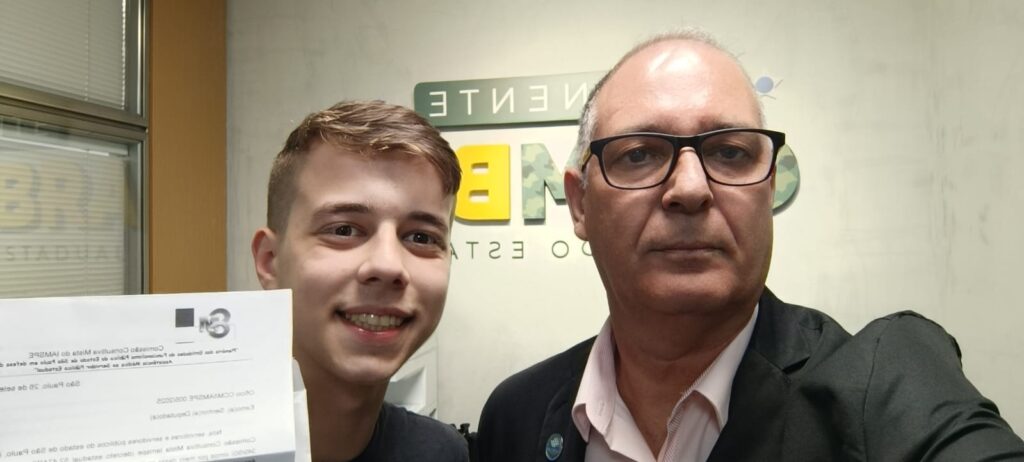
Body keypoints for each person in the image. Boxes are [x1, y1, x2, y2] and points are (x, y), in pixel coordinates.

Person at [476, 30, 1024, 462]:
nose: (690, 189)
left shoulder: (885, 382)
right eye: (639, 154)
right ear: (579, 204)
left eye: (730, 153)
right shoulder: (516, 415)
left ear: (769, 188)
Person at [251, 100, 469, 461]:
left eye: (421, 237)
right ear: (270, 261)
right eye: (344, 230)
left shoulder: (440, 453)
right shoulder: (177, 445)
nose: (388, 266)